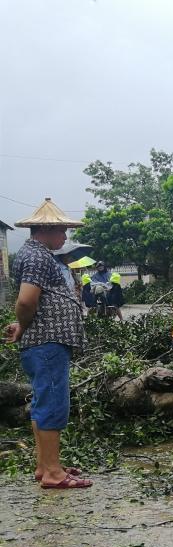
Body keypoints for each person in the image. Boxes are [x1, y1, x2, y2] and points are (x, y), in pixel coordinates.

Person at [5, 198, 92, 489]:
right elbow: (27, 300)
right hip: (47, 343)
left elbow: (34, 303)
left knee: (44, 402)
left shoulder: (36, 255)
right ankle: (54, 473)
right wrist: (24, 325)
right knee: (53, 403)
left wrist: (22, 325)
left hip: (44, 341)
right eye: (62, 230)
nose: (65, 236)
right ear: (45, 229)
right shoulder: (38, 256)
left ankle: (45, 466)